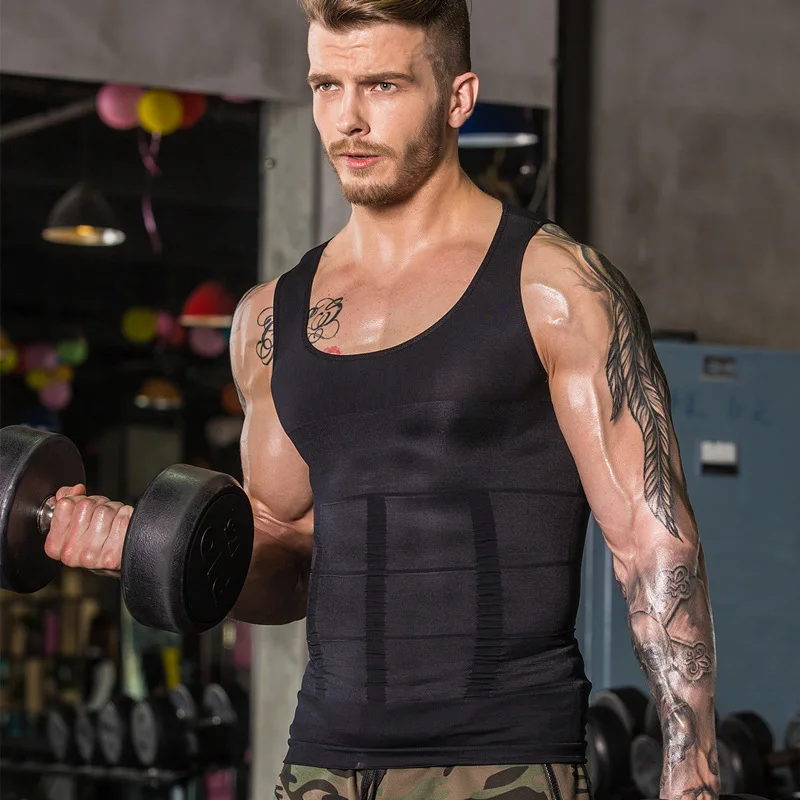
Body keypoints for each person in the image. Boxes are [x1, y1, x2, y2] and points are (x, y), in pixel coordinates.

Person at [44, 1, 720, 799]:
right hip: (323, 760)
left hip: (500, 761)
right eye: (327, 86)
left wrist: (692, 771)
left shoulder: (556, 287)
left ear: (458, 97)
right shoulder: (270, 319)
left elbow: (650, 540)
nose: (349, 119)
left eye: (384, 85)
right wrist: (146, 546)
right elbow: (284, 567)